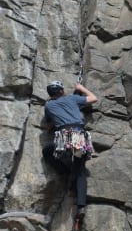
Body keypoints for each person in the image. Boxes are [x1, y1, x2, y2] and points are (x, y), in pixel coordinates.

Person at [42, 80, 98, 219]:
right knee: (80, 170)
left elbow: (48, 127)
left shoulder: (49, 106)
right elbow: (93, 98)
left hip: (64, 137)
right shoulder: (72, 99)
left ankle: (65, 172)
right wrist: (81, 88)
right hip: (78, 136)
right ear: (61, 91)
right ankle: (81, 206)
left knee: (47, 152)